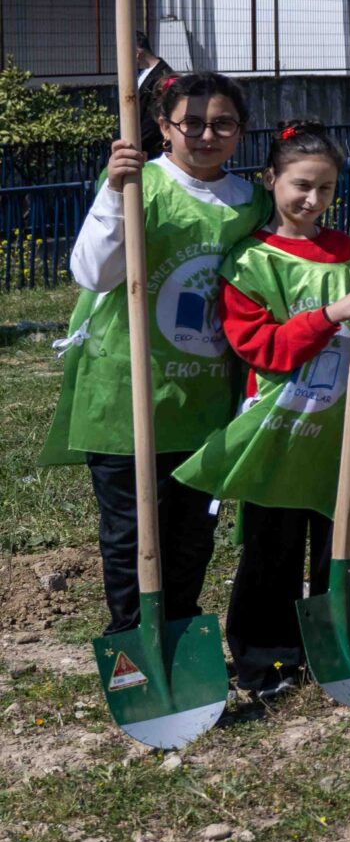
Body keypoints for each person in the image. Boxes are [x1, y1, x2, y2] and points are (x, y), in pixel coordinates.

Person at [45, 71, 265, 647]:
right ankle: (133, 641)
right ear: (164, 127)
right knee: (130, 533)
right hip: (126, 391)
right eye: (190, 123)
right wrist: (117, 193)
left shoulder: (251, 201)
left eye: (221, 124)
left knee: (193, 529)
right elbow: (93, 273)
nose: (205, 135)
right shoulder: (138, 183)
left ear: (240, 132)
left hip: (206, 397)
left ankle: (181, 633)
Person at [174, 122, 350, 695]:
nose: (313, 201)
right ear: (272, 181)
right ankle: (266, 658)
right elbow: (263, 348)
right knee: (272, 547)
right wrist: (331, 315)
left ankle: (335, 643)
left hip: (339, 425)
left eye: (328, 190)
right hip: (278, 426)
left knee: (342, 540)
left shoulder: (349, 252)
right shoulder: (249, 263)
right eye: (301, 186)